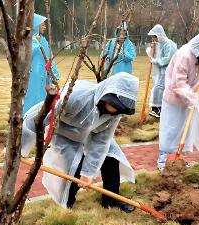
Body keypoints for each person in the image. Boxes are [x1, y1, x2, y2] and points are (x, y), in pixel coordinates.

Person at [21, 72, 139, 212]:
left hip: (90, 134)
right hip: (64, 134)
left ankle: (111, 201)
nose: (116, 112)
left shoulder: (115, 113)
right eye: (116, 106)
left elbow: (101, 141)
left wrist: (88, 173)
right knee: (73, 169)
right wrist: (20, 149)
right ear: (108, 95)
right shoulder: (75, 97)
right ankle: (67, 206)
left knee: (111, 159)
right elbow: (37, 118)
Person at [157, 28, 199, 171]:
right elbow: (177, 83)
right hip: (174, 98)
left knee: (183, 129)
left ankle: (179, 160)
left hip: (187, 98)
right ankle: (163, 162)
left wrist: (191, 96)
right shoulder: (184, 55)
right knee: (170, 130)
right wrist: (191, 97)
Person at [23, 13, 60, 116]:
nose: (44, 27)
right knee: (33, 96)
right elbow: (26, 55)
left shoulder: (43, 39)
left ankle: (43, 117)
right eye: (42, 24)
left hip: (45, 75)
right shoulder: (28, 39)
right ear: (35, 25)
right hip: (33, 75)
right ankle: (28, 116)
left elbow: (49, 56)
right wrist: (36, 44)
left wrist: (54, 73)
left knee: (44, 97)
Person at [147, 24, 177, 118]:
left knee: (160, 88)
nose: (154, 40)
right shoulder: (160, 44)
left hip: (168, 70)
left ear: (159, 35)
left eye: (155, 37)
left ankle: (159, 109)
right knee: (158, 88)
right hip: (162, 71)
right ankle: (156, 109)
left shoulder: (169, 44)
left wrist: (155, 61)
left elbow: (168, 59)